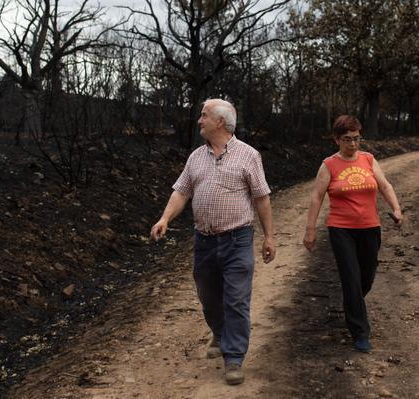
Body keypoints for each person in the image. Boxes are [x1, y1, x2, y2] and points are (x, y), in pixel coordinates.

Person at [150, 98, 276, 386]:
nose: (199, 120)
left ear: (220, 121)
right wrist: (165, 219)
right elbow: (181, 191)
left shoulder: (248, 155)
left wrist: (269, 236)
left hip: (238, 238)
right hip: (204, 240)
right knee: (208, 297)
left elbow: (261, 197)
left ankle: (234, 358)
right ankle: (219, 333)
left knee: (236, 299)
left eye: (204, 115)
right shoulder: (196, 157)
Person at [303, 115, 402, 353]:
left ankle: (353, 302)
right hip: (341, 229)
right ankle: (360, 332)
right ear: (337, 139)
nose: (353, 144)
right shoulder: (329, 165)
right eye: (347, 139)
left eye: (357, 139)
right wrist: (310, 230)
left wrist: (396, 209)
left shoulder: (368, 159)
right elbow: (316, 196)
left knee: (366, 278)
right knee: (351, 278)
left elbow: (385, 185)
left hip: (370, 227)